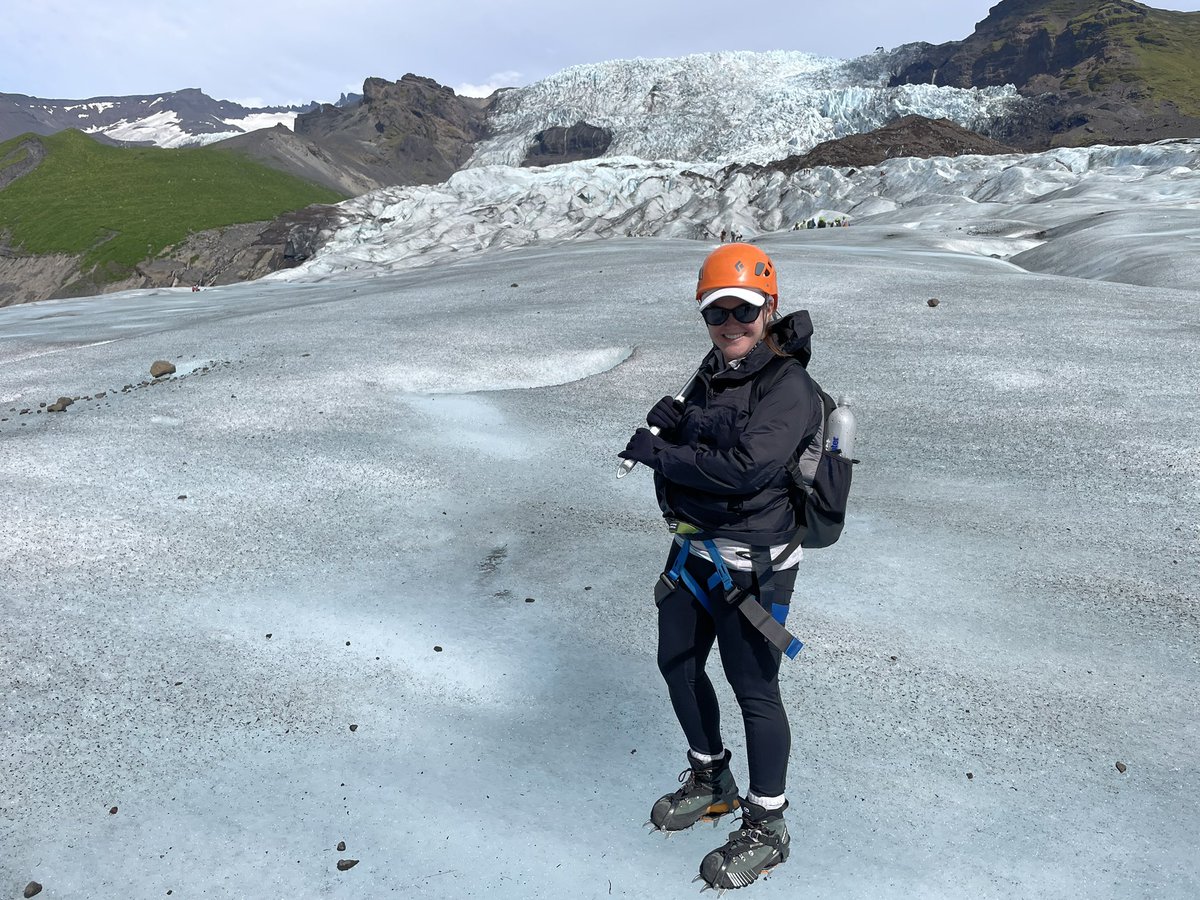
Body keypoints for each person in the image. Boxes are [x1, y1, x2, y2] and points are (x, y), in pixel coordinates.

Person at [618, 242, 822, 891]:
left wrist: (662, 455)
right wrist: (676, 425)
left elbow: (749, 469)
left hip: (752, 565)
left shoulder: (791, 386)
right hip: (695, 549)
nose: (731, 322)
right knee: (677, 663)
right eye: (717, 311)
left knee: (754, 689)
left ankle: (769, 825)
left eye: (744, 309)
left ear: (770, 307)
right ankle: (712, 780)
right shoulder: (715, 367)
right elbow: (710, 436)